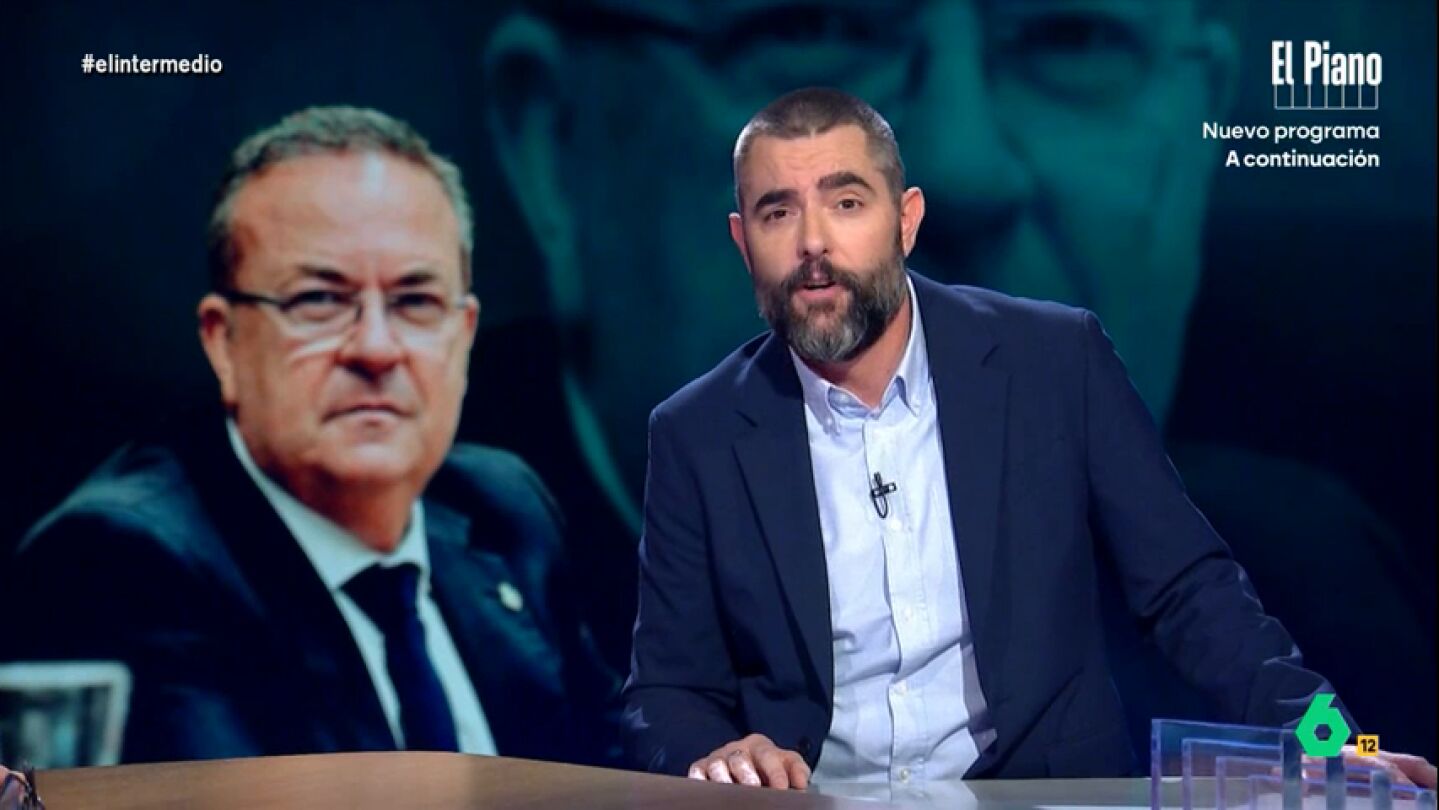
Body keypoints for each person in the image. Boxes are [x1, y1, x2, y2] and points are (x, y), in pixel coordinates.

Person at [482, 0, 1431, 755]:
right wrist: (718, 766)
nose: (968, 163)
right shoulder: (644, 468)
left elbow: (1196, 599)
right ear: (554, 141)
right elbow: (668, 695)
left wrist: (1339, 748)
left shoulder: (1324, 578)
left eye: (1069, 34)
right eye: (813, 23)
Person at [0, 107, 618, 766]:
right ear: (224, 343)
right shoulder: (128, 561)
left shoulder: (500, 507)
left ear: (463, 335)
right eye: (319, 300)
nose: (376, 348)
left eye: (415, 302)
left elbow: (618, 761)